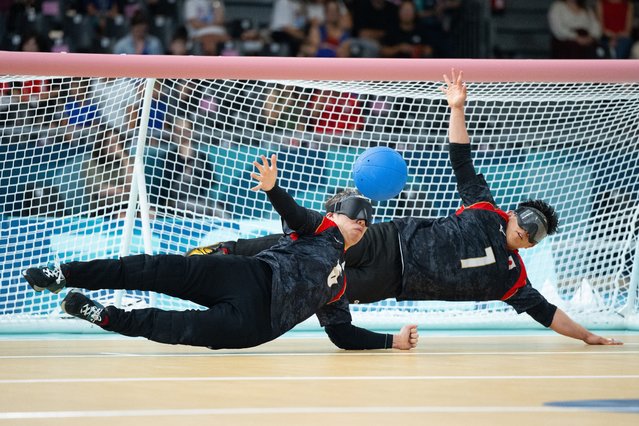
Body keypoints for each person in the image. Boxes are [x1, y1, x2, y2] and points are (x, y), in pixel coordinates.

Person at [187, 69, 622, 346]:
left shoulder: (514, 281)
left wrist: (586, 336)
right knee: (300, 244)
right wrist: (457, 106)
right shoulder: (486, 209)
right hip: (385, 240)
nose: (528, 232)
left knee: (309, 284)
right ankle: (226, 252)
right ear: (513, 214)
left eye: (537, 232)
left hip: (390, 280)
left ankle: (227, 303)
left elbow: (547, 313)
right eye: (528, 220)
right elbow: (460, 156)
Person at [22, 158, 419, 351]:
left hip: (254, 325)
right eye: (354, 214)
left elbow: (343, 334)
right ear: (334, 215)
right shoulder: (319, 229)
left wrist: (391, 342)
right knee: (154, 268)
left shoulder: (339, 285)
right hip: (247, 275)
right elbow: (294, 213)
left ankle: (102, 315)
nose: (362, 222)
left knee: (176, 328)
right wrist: (274, 189)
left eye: (367, 221)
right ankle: (64, 274)